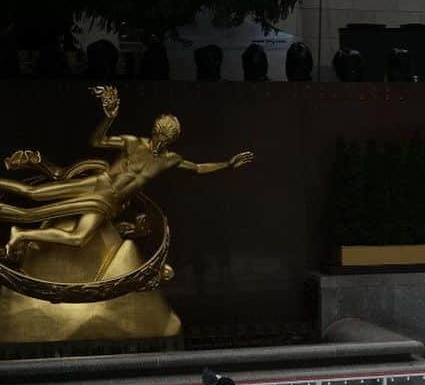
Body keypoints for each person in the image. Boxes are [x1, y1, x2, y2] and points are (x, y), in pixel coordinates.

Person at [1, 84, 253, 260]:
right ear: (155, 131)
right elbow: (98, 141)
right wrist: (109, 118)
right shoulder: (133, 142)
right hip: (97, 184)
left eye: (169, 139)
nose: (162, 142)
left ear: (173, 140)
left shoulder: (169, 159)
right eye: (161, 136)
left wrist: (227, 163)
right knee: (34, 194)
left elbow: (197, 168)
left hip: (109, 202)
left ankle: (21, 235)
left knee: (78, 238)